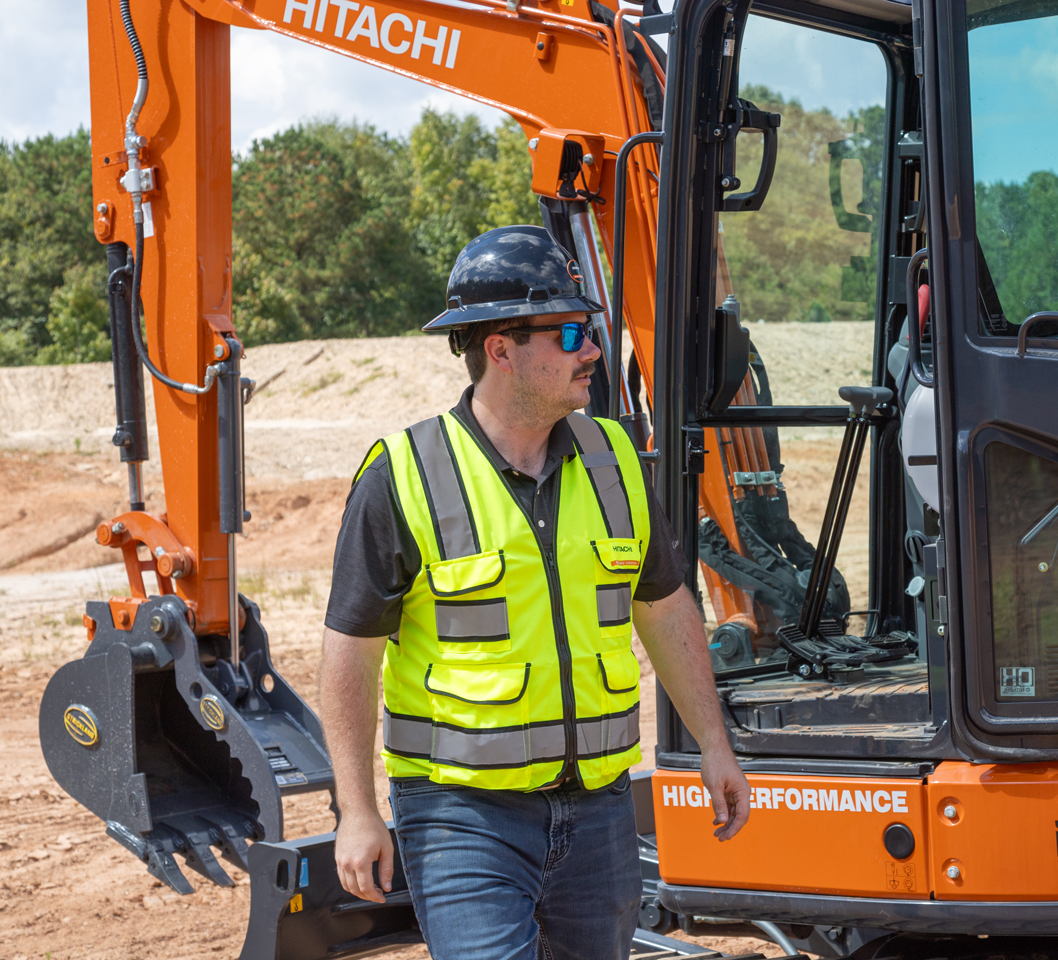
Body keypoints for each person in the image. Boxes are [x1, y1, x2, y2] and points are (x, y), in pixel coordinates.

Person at [318, 225, 750, 960]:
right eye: (572, 332)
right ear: (501, 349)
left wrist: (715, 743)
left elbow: (667, 607)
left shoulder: (616, 459)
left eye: (591, 330)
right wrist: (356, 811)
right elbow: (348, 658)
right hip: (461, 819)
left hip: (600, 814)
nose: (592, 351)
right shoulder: (404, 476)